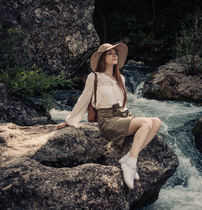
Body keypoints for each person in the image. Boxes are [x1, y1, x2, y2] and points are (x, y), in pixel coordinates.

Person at [56, 43, 161, 189]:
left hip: (121, 117)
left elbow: (122, 104)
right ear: (102, 58)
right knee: (146, 123)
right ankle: (131, 163)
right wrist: (69, 121)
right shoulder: (94, 77)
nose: (114, 55)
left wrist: (130, 119)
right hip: (106, 120)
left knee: (156, 122)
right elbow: (83, 99)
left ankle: (128, 158)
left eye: (115, 53)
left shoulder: (121, 79)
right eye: (110, 53)